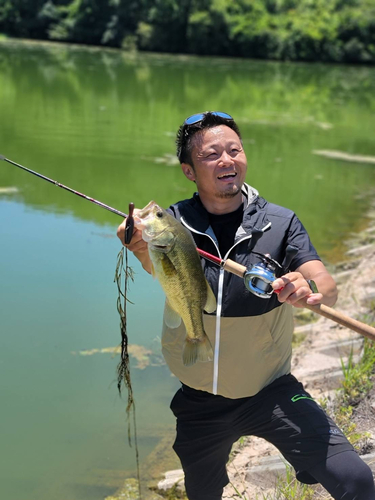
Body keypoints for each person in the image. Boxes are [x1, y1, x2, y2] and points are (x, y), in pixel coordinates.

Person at [117, 112, 375, 500]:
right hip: (199, 398)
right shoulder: (171, 226)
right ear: (189, 171)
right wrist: (137, 242)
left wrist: (305, 286)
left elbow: (326, 284)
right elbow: (156, 266)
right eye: (211, 154)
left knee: (356, 480)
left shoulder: (280, 222)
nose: (227, 160)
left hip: (271, 390)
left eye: (234, 150)